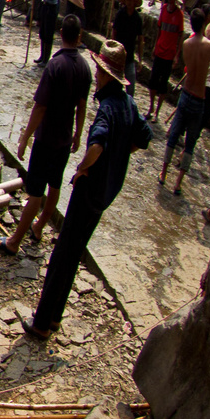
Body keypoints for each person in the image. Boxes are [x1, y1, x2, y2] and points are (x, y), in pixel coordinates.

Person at [25, 40, 150, 339]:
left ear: (105, 74)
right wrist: (121, 154)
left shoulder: (107, 107)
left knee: (63, 255)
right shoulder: (129, 104)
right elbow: (144, 136)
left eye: (99, 70)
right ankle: (55, 317)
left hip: (90, 189)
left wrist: (83, 168)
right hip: (107, 191)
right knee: (74, 251)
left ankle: (41, 323)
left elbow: (97, 143)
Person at [0, 15, 91, 255]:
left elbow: (40, 107)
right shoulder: (84, 67)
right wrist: (78, 134)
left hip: (46, 137)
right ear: (79, 37)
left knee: (35, 191)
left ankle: (14, 241)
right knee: (55, 184)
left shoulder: (55, 66)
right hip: (65, 138)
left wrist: (26, 136)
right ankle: (38, 227)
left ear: (61, 34)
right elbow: (82, 105)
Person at [159, 6, 210, 193]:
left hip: (185, 95)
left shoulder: (186, 44)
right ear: (204, 24)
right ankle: (177, 183)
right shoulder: (209, 46)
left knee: (174, 134)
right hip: (199, 98)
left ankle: (163, 173)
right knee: (190, 143)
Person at [146, 0, 186, 121]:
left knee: (163, 85)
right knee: (152, 81)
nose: (170, 0)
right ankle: (151, 107)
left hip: (169, 54)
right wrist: (154, 46)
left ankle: (157, 112)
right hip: (159, 50)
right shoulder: (163, 9)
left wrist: (176, 55)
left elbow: (180, 35)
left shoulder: (179, 15)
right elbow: (159, 29)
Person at [110, 0, 144, 98]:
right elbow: (114, 32)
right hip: (118, 55)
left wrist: (140, 59)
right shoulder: (120, 14)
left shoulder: (137, 18)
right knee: (114, 85)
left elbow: (140, 39)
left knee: (131, 89)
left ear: (135, 1)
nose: (129, 1)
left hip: (129, 57)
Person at [34, 0, 63, 66]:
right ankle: (42, 56)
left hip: (52, 7)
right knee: (42, 32)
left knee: (48, 34)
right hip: (44, 4)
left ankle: (46, 59)